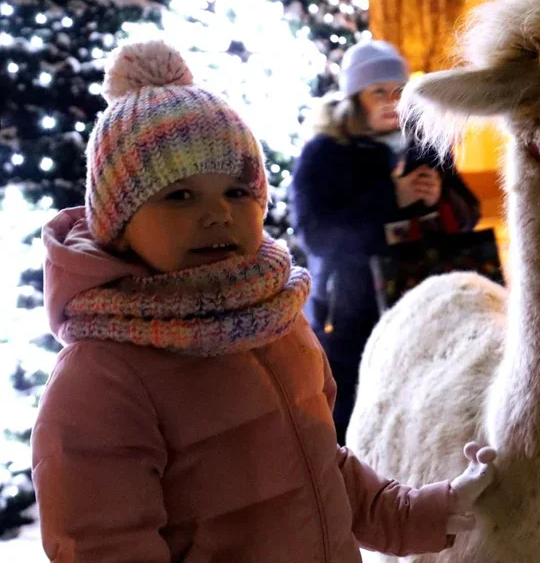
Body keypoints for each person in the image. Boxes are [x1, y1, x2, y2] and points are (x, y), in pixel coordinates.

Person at [31, 40, 496, 562]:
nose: (217, 214)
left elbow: (326, 473)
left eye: (236, 192)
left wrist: (430, 510)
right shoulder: (102, 379)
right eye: (179, 195)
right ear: (117, 223)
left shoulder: (279, 325)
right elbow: (104, 544)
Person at [290, 39, 480, 444]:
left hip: (428, 304)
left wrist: (440, 197)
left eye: (399, 91)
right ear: (356, 98)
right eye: (379, 91)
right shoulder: (325, 154)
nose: (391, 101)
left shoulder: (427, 142)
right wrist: (390, 198)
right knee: (357, 418)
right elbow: (317, 235)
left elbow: (469, 213)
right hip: (354, 314)